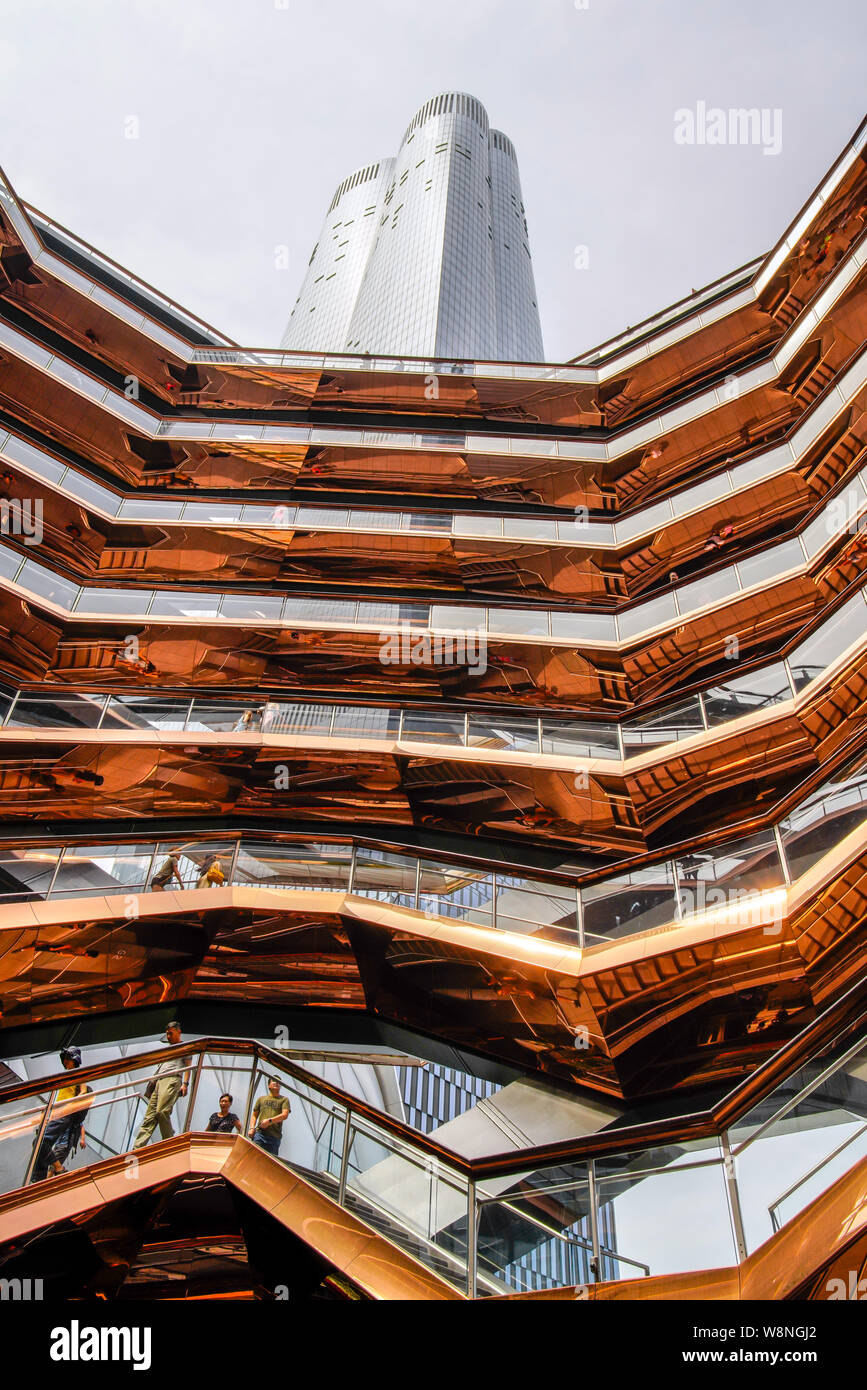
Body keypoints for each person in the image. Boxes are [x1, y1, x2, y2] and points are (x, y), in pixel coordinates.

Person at [30, 1046, 92, 1182]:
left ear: (74, 1059)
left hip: (65, 1114)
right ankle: (38, 1180)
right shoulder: (66, 1075)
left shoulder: (78, 1073)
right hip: (57, 1113)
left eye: (67, 1059)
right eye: (64, 1059)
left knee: (40, 1140)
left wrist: (72, 1105)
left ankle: (58, 1169)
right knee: (40, 1143)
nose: (65, 1062)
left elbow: (83, 1090)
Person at [132, 1022, 192, 1150]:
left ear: (178, 1031)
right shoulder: (167, 1048)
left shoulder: (184, 1046)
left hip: (172, 1078)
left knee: (162, 1111)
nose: (169, 1037)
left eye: (171, 1033)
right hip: (159, 1081)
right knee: (149, 1117)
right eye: (167, 1034)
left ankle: (170, 1142)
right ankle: (137, 1147)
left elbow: (188, 1065)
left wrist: (185, 1084)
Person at [248, 1077, 290, 1157]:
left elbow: (285, 1115)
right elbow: (254, 1115)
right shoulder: (261, 1099)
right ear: (268, 1085)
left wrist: (269, 1121)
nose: (277, 1083)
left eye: (278, 1082)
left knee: (269, 1162)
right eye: (274, 1081)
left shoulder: (284, 1099)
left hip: (274, 1136)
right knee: (253, 1156)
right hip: (260, 1134)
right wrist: (251, 1128)